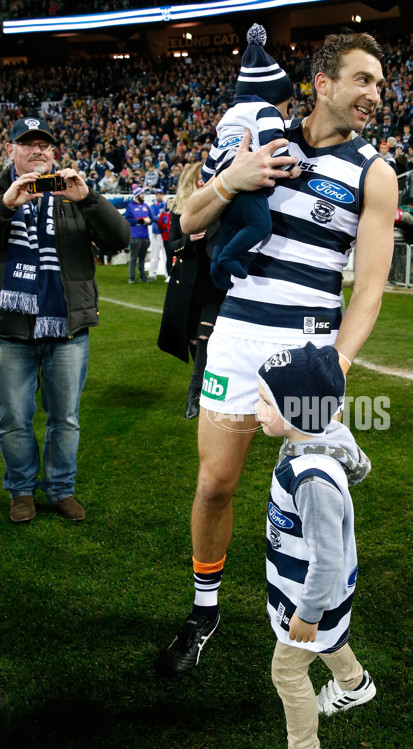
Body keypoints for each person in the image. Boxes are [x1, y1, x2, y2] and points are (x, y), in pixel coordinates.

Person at [156, 31, 397, 677]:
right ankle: (204, 612)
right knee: (216, 485)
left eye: (379, 82)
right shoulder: (260, 135)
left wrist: (336, 367)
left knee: (313, 493)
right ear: (323, 82)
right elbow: (188, 222)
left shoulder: (376, 172)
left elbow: (370, 289)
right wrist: (232, 179)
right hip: (237, 338)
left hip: (311, 345)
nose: (376, 93)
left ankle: (316, 623)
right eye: (363, 80)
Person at [252, 342, 375, 749]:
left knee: (286, 672)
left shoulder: (314, 478)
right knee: (331, 641)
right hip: (321, 596)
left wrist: (305, 614)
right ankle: (355, 684)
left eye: (266, 402)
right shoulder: (312, 439)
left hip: (312, 598)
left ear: (299, 413)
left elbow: (325, 559)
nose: (256, 409)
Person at [0, 116, 130, 523]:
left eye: (45, 145)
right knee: (13, 419)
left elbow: (119, 239)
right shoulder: (2, 195)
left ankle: (60, 489)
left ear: (53, 152)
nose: (38, 150)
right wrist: (6, 207)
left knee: (66, 418)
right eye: (27, 143)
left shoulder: (71, 191)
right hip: (10, 327)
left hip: (67, 326)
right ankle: (21, 490)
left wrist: (88, 199)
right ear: (11, 151)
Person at [200, 24, 298, 290]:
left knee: (231, 227)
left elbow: (212, 156)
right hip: (246, 180)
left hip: (224, 183)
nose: (287, 114)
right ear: (274, 96)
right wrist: (291, 164)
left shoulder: (228, 116)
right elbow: (273, 142)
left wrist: (207, 179)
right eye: (287, 106)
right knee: (260, 224)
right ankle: (230, 256)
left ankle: (217, 264)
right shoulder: (266, 110)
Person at [157, 163, 226, 420]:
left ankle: (194, 395)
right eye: (200, 178)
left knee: (205, 337)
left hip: (213, 284)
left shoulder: (222, 206)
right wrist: (189, 240)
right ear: (191, 181)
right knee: (195, 342)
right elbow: (171, 248)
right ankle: (209, 388)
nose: (204, 182)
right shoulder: (179, 209)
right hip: (186, 286)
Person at [124, 184, 151, 284]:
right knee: (133, 257)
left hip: (145, 235)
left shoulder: (145, 206)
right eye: (141, 194)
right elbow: (127, 219)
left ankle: (142, 276)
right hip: (135, 235)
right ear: (137, 195)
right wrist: (139, 221)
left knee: (142, 258)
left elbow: (151, 217)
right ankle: (131, 277)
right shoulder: (130, 206)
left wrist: (149, 221)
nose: (143, 195)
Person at [148, 188, 167, 281]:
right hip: (156, 232)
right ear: (156, 195)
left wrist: (160, 218)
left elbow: (167, 218)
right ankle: (152, 273)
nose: (159, 196)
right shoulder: (152, 206)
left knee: (166, 254)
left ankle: (168, 273)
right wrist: (161, 218)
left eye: (161, 194)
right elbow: (152, 218)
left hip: (164, 232)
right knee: (154, 254)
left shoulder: (166, 205)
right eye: (158, 194)